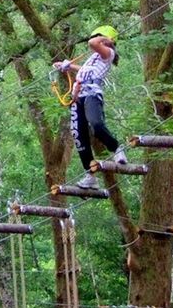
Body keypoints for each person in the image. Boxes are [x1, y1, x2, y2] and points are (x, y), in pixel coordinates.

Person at [54, 25, 127, 189]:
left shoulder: (108, 54)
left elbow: (93, 42)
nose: (97, 40)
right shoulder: (94, 57)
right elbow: (86, 70)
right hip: (78, 96)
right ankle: (90, 175)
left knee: (96, 125)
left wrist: (105, 40)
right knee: (79, 135)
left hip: (92, 94)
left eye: (101, 37)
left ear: (107, 40)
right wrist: (68, 66)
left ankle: (116, 148)